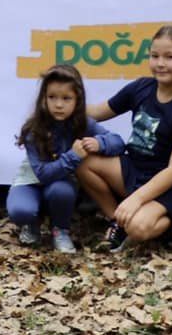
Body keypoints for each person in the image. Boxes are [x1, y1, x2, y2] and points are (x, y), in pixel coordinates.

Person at [75, 25, 172, 248]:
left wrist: (136, 198)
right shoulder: (141, 87)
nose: (160, 63)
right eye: (154, 56)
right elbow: (98, 112)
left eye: (170, 56)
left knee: (137, 227)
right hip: (135, 169)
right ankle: (115, 219)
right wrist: (64, 108)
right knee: (81, 160)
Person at [8, 65, 114, 253]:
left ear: (77, 100)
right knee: (21, 210)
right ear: (43, 99)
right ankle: (32, 223)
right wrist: (73, 157)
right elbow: (43, 174)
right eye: (52, 97)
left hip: (60, 182)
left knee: (62, 192)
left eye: (66, 98)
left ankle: (60, 230)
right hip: (31, 181)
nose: (58, 105)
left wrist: (99, 143)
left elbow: (117, 141)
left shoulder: (83, 124)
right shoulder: (34, 128)